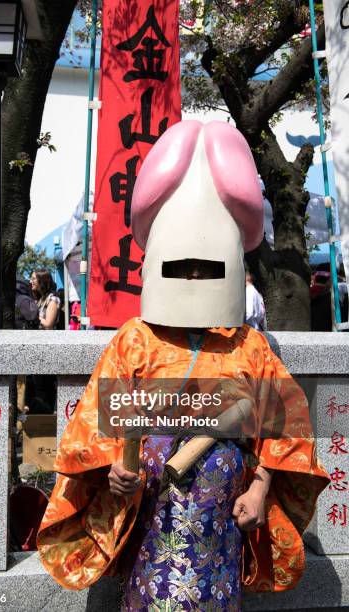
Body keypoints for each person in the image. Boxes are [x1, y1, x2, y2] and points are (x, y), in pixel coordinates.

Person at [37, 121, 329, 610]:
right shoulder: (135, 340)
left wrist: (259, 490)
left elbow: (286, 434)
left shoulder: (250, 346)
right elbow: (91, 431)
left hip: (221, 519)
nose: (194, 276)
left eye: (207, 266)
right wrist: (114, 471)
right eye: (182, 266)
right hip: (150, 513)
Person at [29, 269, 60, 413]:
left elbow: (48, 324)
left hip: (47, 348)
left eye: (34, 279)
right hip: (36, 347)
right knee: (36, 385)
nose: (31, 281)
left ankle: (46, 419)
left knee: (44, 385)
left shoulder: (52, 299)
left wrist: (34, 317)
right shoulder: (38, 299)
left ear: (42, 281)